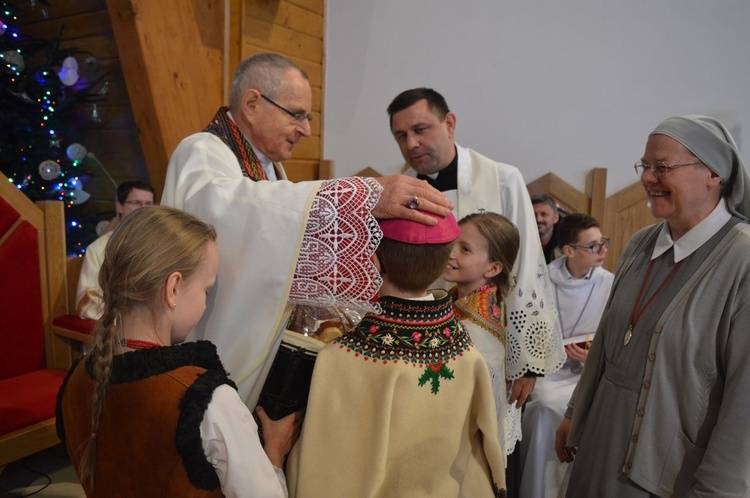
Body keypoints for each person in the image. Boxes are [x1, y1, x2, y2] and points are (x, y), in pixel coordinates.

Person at [162, 54, 453, 408]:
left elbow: (275, 232)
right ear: (252, 103)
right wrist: (359, 196)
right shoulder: (201, 151)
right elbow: (228, 211)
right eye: (296, 115)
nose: (306, 130)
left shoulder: (269, 167)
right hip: (213, 334)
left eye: (308, 117)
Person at [555, 115, 750, 497]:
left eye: (662, 167)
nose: (647, 178)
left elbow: (745, 402)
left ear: (714, 173)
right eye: (645, 166)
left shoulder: (742, 260)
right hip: (598, 445)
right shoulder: (642, 242)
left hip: (668, 475)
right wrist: (576, 411)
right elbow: (609, 343)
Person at [388, 87, 565, 494]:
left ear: (449, 124)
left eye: (420, 129)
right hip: (428, 342)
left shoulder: (501, 177)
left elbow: (527, 269)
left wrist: (527, 363)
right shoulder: (400, 186)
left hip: (490, 342)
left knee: (487, 448)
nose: (411, 143)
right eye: (400, 135)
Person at [56, 206, 300, 497]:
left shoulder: (75, 381)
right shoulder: (205, 399)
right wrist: (274, 452)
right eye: (206, 290)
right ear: (173, 288)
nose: (207, 303)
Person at [286, 212, 507, 497]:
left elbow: (324, 469)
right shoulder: (466, 349)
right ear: (443, 263)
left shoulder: (342, 359)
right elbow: (483, 450)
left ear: (374, 262)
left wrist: (277, 453)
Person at [520, 213, 613, 498]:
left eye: (603, 243)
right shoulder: (542, 280)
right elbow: (526, 330)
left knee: (602, 408)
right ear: (570, 250)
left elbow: (615, 334)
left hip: (588, 372)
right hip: (548, 371)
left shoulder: (611, 282)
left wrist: (592, 355)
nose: (603, 251)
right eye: (593, 245)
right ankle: (540, 490)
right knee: (547, 405)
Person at [443, 212, 520, 462]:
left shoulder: (477, 332)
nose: (451, 252)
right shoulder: (460, 304)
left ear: (493, 268)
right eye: (452, 242)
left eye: (464, 249)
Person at [76, 180, 155, 319]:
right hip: (119, 327)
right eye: (136, 203)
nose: (143, 209)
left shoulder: (160, 244)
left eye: (148, 204)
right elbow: (87, 302)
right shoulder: (99, 249)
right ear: (119, 206)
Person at [531, 194, 562, 264]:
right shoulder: (520, 238)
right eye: (534, 214)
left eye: (544, 214)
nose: (538, 219)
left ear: (556, 218)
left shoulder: (565, 244)